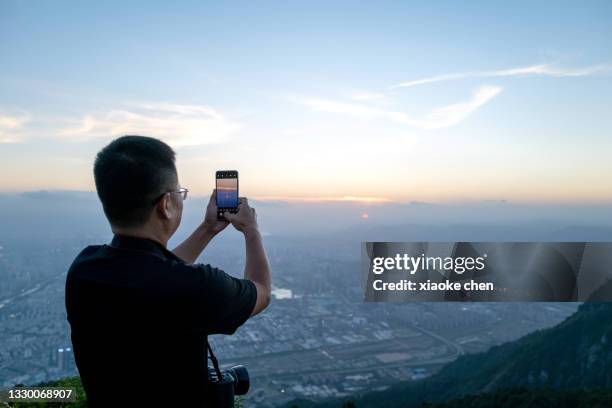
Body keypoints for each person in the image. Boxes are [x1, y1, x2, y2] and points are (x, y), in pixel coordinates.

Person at [64, 135, 271, 407]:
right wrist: (251, 230)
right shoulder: (198, 287)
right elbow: (261, 291)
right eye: (179, 193)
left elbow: (151, 274)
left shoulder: (84, 270)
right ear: (166, 205)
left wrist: (208, 229)